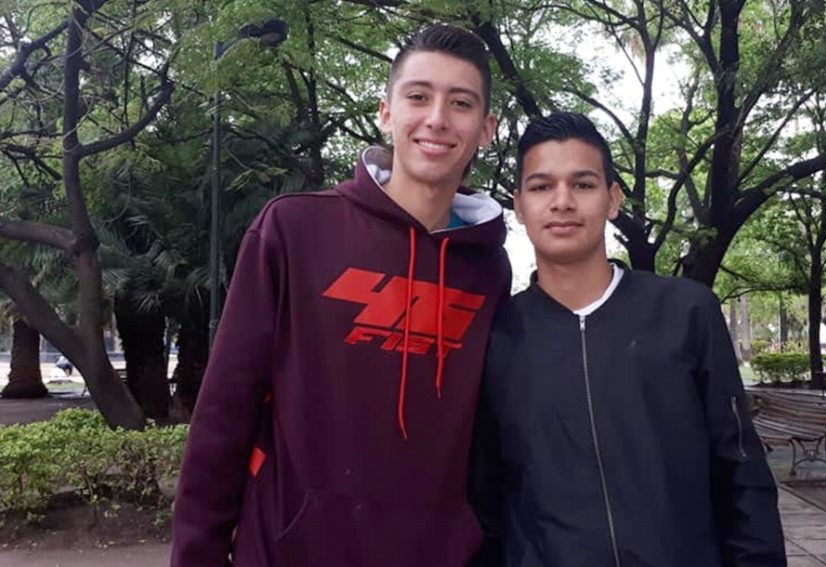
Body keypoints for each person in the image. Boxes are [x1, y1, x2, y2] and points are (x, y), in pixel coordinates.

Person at [171, 25, 511, 567]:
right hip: (293, 551)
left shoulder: (487, 267)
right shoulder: (295, 229)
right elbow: (224, 412)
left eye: (461, 103)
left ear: (486, 128)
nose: (437, 118)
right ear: (386, 113)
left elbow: (484, 440)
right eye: (418, 96)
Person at [471, 113, 785, 566]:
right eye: (541, 187)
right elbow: (486, 496)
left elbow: (741, 471)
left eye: (583, 184)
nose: (562, 202)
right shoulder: (496, 336)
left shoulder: (686, 312)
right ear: (518, 206)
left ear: (613, 199)